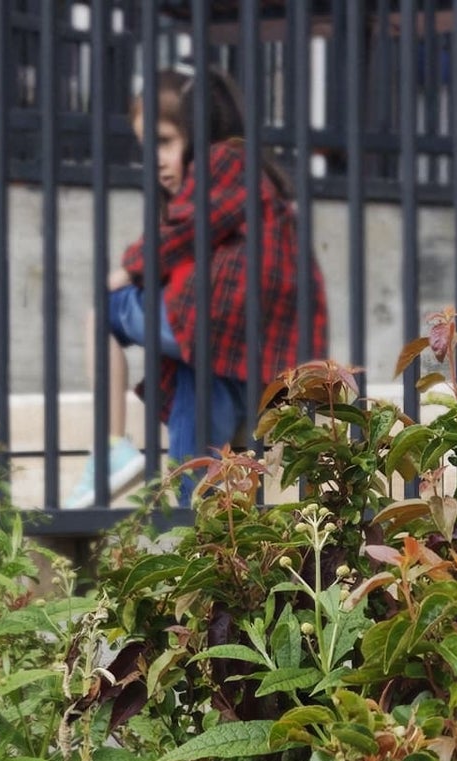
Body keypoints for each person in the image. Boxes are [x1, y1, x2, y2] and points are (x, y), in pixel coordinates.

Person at [104, 66, 327, 492]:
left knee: (107, 309)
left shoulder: (224, 161)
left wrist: (129, 268)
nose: (156, 160)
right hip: (234, 356)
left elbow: (182, 231)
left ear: (199, 130)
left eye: (165, 142)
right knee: (196, 479)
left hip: (221, 330)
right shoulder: (252, 180)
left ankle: (111, 450)